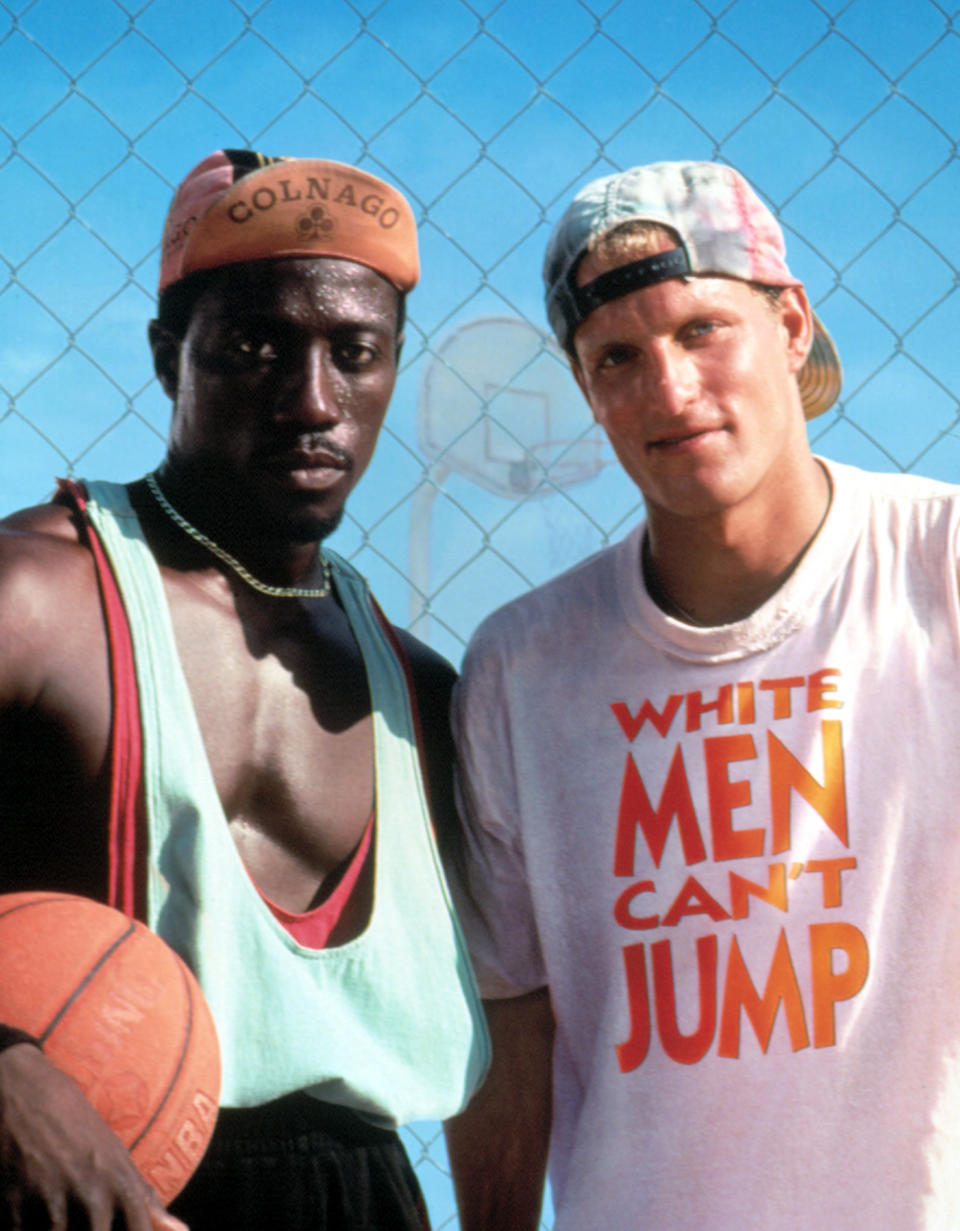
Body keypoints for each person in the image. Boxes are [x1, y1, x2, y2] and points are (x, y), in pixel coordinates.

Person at [444, 158, 960, 1230]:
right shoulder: (521, 669)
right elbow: (508, 1016)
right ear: (587, 390)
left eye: (700, 331)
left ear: (792, 323)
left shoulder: (936, 564)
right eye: (617, 357)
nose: (668, 391)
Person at [0, 148, 489, 1231]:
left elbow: (529, 1002)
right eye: (258, 346)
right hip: (83, 1181)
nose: (312, 400)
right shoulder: (34, 599)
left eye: (354, 353)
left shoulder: (423, 693)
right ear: (171, 357)